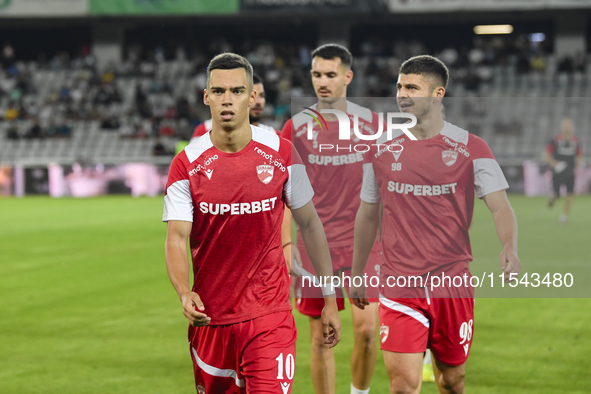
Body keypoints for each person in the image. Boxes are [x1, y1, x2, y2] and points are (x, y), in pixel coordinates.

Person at [163, 53, 342, 394]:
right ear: (206, 97)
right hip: (211, 319)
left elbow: (311, 225)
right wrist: (184, 292)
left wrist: (329, 299)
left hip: (269, 315)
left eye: (237, 91)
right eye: (218, 91)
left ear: (252, 96)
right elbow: (176, 238)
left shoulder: (283, 153)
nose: (227, 99)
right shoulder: (185, 164)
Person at [351, 55, 521, 394]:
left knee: (452, 381)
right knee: (402, 385)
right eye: (399, 86)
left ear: (438, 93)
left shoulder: (472, 148)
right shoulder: (382, 149)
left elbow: (500, 206)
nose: (402, 94)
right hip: (399, 283)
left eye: (412, 87)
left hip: (452, 284)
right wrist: (358, 272)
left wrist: (510, 247)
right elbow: (368, 213)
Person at [281, 44, 383, 394]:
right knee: (322, 338)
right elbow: (283, 192)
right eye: (316, 75)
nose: (322, 82)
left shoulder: (372, 125)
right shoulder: (295, 128)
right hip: (314, 246)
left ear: (347, 77)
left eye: (330, 75)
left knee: (367, 333)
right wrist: (287, 241)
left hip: (363, 246)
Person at [191, 74, 279, 141]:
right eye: (251, 96)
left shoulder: (274, 136)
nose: (258, 102)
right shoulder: (205, 131)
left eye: (262, 95)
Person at [544, 118, 583, 225]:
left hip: (570, 171)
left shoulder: (575, 141)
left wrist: (578, 163)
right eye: (565, 125)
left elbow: (579, 154)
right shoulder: (555, 140)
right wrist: (554, 164)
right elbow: (546, 154)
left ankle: (564, 216)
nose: (567, 127)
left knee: (570, 193)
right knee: (556, 193)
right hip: (558, 171)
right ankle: (553, 197)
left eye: (569, 125)